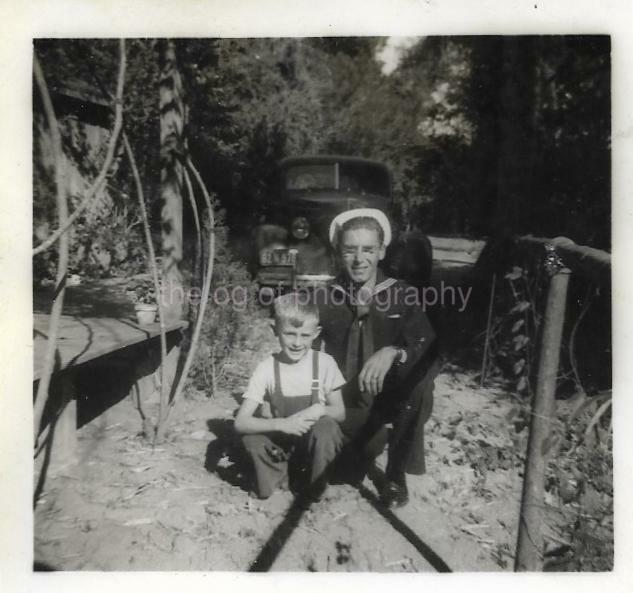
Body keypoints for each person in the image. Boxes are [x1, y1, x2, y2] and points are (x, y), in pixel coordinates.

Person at [315, 208, 439, 509]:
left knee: (420, 384)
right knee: (340, 472)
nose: (359, 259)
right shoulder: (323, 297)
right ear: (338, 252)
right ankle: (351, 447)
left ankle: (395, 475)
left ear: (382, 251)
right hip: (341, 401)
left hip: (386, 402)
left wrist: (394, 352)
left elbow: (428, 352)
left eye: (368, 249)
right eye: (350, 250)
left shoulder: (403, 294)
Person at [234, 293, 346, 501]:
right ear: (275, 330)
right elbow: (241, 422)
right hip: (281, 446)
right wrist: (281, 424)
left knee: (328, 428)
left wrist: (321, 409)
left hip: (313, 449)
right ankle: (279, 479)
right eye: (289, 333)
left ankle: (314, 485)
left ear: (316, 333)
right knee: (252, 440)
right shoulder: (266, 369)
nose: (297, 343)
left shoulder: (324, 363)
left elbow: (340, 412)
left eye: (304, 335)